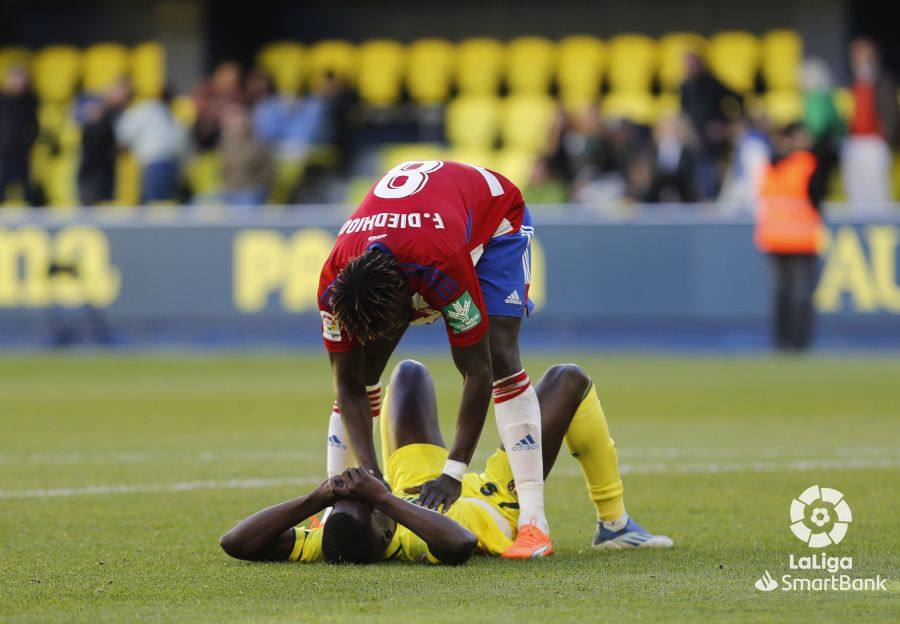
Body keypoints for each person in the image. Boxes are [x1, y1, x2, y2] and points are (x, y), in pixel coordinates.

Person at [317, 160, 550, 558]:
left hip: (494, 218)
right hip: (419, 231)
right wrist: (369, 477)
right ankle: (330, 506)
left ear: (411, 298)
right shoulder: (333, 281)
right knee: (361, 369)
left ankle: (534, 523)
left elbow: (477, 373)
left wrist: (453, 473)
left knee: (501, 354)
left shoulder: (441, 266)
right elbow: (348, 385)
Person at [219, 359, 672, 564]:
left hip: (415, 481)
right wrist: (385, 498)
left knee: (409, 373)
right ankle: (615, 525)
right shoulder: (412, 545)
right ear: (384, 531)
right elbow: (457, 544)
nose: (359, 486)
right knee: (568, 380)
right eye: (369, 504)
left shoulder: (331, 540)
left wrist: (325, 494)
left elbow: (234, 542)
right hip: (491, 502)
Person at [754, 122, 835, 351]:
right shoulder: (808, 164)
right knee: (797, 295)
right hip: (797, 239)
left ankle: (784, 343)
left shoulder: (772, 164)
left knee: (783, 295)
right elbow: (817, 194)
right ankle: (795, 344)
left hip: (779, 239)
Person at [841, 39, 898, 210]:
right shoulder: (850, 83)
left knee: (878, 191)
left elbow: (892, 114)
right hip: (853, 143)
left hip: (875, 142)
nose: (859, 60)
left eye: (863, 55)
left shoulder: (884, 82)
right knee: (856, 191)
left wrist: (887, 137)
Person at [680, 52, 742, 200]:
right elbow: (684, 113)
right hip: (695, 138)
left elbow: (739, 98)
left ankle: (713, 198)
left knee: (714, 170)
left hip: (714, 139)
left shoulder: (712, 84)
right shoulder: (685, 87)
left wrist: (727, 125)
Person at [115, 90, 187, 203]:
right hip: (173, 161)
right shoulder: (162, 110)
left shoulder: (136, 111)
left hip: (155, 163)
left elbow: (123, 138)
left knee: (154, 206)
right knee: (164, 203)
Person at [77, 80, 129, 206]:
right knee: (91, 204)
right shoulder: (95, 108)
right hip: (92, 168)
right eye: (121, 93)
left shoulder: (117, 113)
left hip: (106, 168)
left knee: (106, 204)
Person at [218, 102, 273, 206]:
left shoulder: (257, 142)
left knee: (242, 210)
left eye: (236, 118)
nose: (233, 123)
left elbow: (269, 172)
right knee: (201, 203)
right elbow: (224, 170)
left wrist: (258, 186)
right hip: (228, 191)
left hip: (251, 191)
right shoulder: (225, 143)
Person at [0, 66, 38, 204]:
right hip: (2, 152)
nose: (19, 83)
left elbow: (34, 127)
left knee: (26, 187)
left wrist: (28, 144)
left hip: (21, 152)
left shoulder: (29, 101)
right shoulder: (2, 100)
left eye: (22, 80)